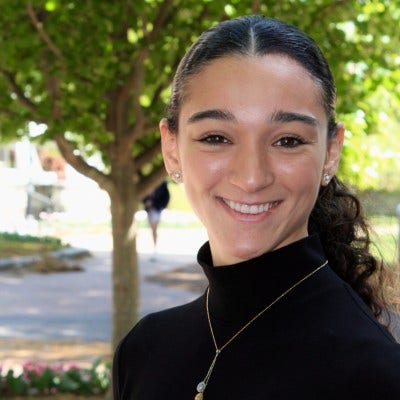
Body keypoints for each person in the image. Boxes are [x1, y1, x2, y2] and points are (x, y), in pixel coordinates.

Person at [113, 15, 400, 399]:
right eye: (216, 137)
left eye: (287, 141)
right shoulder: (143, 351)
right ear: (172, 149)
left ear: (330, 153)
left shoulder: (375, 375)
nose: (251, 177)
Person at [142, 180, 170, 256]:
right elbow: (143, 196)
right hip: (149, 210)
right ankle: (154, 247)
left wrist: (156, 205)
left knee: (154, 229)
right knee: (152, 229)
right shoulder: (147, 182)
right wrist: (146, 202)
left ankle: (155, 248)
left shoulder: (162, 184)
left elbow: (166, 197)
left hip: (157, 209)